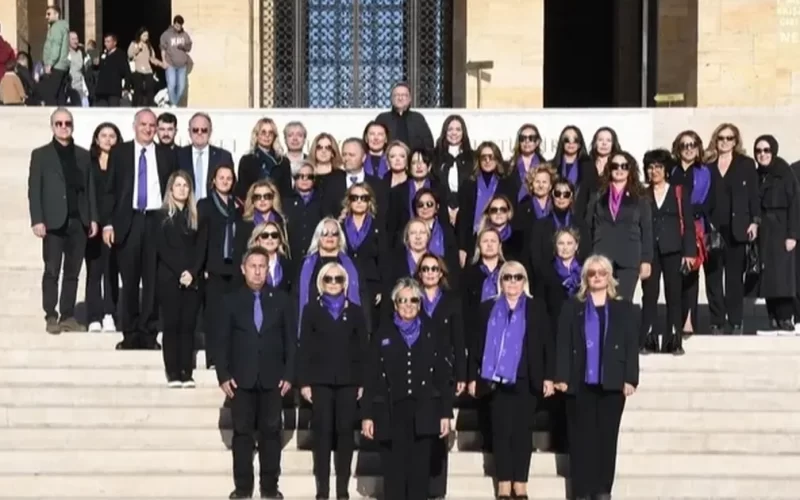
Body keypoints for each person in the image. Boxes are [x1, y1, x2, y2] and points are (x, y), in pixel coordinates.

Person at [555, 254, 639, 500]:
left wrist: (630, 378)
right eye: (592, 273)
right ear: (585, 278)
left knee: (606, 442)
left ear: (610, 277)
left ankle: (603, 491)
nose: (597, 277)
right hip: (579, 383)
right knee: (581, 442)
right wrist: (561, 375)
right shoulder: (572, 306)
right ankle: (581, 492)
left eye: (602, 273)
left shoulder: (624, 308)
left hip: (612, 383)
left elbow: (630, 345)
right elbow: (563, 343)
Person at [468, 261, 554, 499]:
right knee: (501, 432)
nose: (512, 282)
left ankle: (521, 482)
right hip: (496, 382)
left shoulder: (536, 307)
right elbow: (476, 346)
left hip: (527, 378)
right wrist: (473, 376)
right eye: (507, 277)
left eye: (518, 277)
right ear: (501, 281)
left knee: (523, 433)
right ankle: (504, 482)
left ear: (524, 281)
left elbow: (547, 343)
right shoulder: (487, 308)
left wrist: (549, 376)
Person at [361, 277, 452, 500]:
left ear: (420, 304)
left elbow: (443, 376)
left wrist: (445, 413)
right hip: (391, 411)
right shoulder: (383, 334)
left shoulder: (432, 332)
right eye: (403, 300)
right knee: (394, 475)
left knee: (419, 475)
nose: (409, 305)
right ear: (395, 304)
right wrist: (367, 415)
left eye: (414, 300)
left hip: (424, 411)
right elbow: (371, 376)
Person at [216, 246, 295, 499]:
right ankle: (242, 488)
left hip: (273, 379)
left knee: (272, 434)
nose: (258, 271)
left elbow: (291, 341)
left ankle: (270, 488)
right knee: (242, 435)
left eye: (263, 266)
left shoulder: (282, 300)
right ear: (243, 269)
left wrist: (290, 374)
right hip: (241, 379)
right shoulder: (231, 300)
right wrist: (223, 374)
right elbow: (222, 341)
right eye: (253, 266)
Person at [102, 108, 178, 350]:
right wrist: (108, 223)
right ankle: (130, 333)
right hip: (130, 221)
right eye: (143, 124)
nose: (148, 129)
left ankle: (148, 332)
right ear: (135, 126)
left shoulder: (166, 155)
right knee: (131, 280)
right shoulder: (121, 152)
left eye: (152, 125)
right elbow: (110, 190)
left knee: (153, 280)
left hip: (157, 221)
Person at [297, 262, 368, 499]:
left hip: (348, 381)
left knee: (345, 433)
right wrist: (305, 382)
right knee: (323, 433)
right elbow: (304, 347)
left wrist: (361, 382)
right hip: (320, 380)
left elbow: (362, 349)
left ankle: (342, 489)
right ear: (321, 282)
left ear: (345, 283)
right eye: (329, 279)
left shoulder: (356, 311)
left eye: (338, 279)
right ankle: (323, 490)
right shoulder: (311, 310)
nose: (334, 283)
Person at [28, 108, 98, 334]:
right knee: (51, 270)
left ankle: (68, 315)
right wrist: (37, 219)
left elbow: (90, 189)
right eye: (59, 123)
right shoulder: (40, 155)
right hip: (53, 222)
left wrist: (93, 218)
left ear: (73, 125)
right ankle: (51, 314)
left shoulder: (83, 155)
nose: (63, 127)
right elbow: (34, 190)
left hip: (78, 221)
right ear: (52, 127)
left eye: (67, 123)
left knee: (72, 272)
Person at [414, 253, 466, 499]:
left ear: (441, 273)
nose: (430, 273)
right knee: (419, 432)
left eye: (435, 269)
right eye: (425, 269)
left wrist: (462, 374)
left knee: (441, 430)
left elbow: (459, 340)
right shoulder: (411, 300)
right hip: (416, 373)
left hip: (443, 373)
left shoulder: (453, 301)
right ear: (419, 273)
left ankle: (437, 491)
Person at [705, 123, 760, 335]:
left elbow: (754, 195)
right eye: (721, 138)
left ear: (736, 141)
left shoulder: (746, 164)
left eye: (729, 138)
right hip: (712, 228)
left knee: (734, 277)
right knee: (713, 276)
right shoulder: (707, 165)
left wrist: (755, 221)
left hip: (738, 228)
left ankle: (735, 320)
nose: (725, 142)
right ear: (715, 140)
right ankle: (716, 320)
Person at [640, 149, 696, 354]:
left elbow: (688, 224)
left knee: (674, 295)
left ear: (666, 170)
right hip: (650, 252)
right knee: (649, 296)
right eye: (651, 167)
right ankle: (649, 338)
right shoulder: (642, 194)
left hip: (674, 250)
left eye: (658, 167)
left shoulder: (679, 191)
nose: (654, 171)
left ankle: (674, 340)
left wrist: (689, 252)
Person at [155, 171, 205, 387]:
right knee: (172, 325)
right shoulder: (161, 216)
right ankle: (173, 371)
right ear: (170, 189)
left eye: (186, 185)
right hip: (169, 278)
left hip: (192, 280)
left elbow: (201, 248)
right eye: (178, 185)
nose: (182, 189)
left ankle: (186, 371)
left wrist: (192, 272)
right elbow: (162, 248)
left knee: (188, 325)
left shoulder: (196, 217)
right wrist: (179, 272)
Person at [585, 150, 653, 299]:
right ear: (609, 169)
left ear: (630, 170)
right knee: (601, 301)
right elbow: (588, 227)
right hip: (602, 255)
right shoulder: (598, 195)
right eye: (615, 166)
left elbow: (647, 230)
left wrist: (646, 260)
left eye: (624, 166)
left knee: (623, 304)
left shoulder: (640, 196)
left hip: (629, 257)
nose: (620, 170)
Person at [753, 135, 799, 334]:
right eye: (759, 151)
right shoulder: (757, 174)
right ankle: (772, 318)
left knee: (783, 276)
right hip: (765, 230)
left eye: (766, 150)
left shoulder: (784, 173)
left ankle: (785, 317)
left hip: (781, 229)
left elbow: (795, 204)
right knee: (768, 274)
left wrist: (792, 234)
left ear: (774, 151)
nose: (762, 154)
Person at [197, 164, 241, 368]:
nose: (225, 181)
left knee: (231, 315)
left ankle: (230, 357)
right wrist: (202, 266)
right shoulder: (204, 205)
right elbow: (200, 239)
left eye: (229, 178)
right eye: (221, 177)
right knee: (214, 316)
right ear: (213, 180)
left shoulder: (239, 205)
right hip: (213, 268)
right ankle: (213, 358)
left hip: (234, 268)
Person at [85, 122, 122, 333]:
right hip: (92, 225)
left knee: (111, 271)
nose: (108, 140)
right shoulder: (88, 162)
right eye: (104, 135)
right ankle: (93, 317)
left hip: (114, 224)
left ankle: (109, 313)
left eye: (112, 136)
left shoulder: (122, 162)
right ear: (96, 139)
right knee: (93, 272)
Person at [177, 112, 235, 199]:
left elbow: (231, 187)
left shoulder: (223, 156)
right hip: (186, 209)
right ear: (189, 132)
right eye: (195, 130)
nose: (199, 133)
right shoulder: (179, 155)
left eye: (204, 130)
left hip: (214, 209)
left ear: (210, 132)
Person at [374, 82, 434, 153]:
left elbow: (428, 144)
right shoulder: (382, 118)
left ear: (410, 99)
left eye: (404, 95)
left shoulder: (418, 118)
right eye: (397, 95)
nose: (400, 98)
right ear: (391, 99)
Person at [160, 15, 193, 107]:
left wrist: (183, 46)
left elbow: (189, 47)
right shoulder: (166, 35)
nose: (179, 28)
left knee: (181, 87)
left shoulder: (184, 35)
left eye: (180, 26)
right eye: (177, 25)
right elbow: (163, 49)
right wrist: (164, 61)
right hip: (170, 64)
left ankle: (173, 102)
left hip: (182, 65)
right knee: (171, 85)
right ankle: (174, 104)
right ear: (174, 24)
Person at [40, 5, 69, 105]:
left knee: (50, 95)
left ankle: (53, 117)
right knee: (60, 95)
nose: (46, 16)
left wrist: (49, 64)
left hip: (56, 66)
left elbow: (56, 46)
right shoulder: (62, 27)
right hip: (61, 66)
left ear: (57, 14)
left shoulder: (57, 27)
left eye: (49, 14)